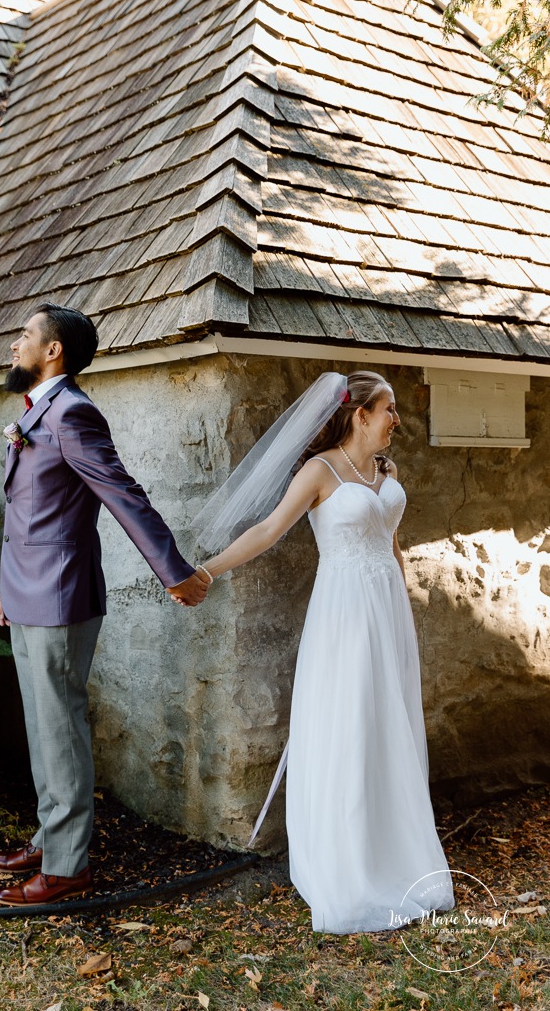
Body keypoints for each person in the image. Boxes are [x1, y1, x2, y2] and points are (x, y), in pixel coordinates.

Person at [191, 370, 453, 933]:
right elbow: (267, 530)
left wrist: (403, 611)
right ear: (359, 414)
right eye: (388, 410)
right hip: (344, 615)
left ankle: (399, 854)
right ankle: (349, 864)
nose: (396, 420)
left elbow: (393, 545)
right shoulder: (320, 470)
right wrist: (208, 571)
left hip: (387, 611)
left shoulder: (388, 470)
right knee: (351, 724)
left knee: (392, 725)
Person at [0, 301, 210, 907]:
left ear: (53, 350)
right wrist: (6, 590)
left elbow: (122, 495)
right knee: (42, 727)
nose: (15, 344)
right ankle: (49, 836)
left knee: (62, 730)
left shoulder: (74, 413)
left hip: (60, 596)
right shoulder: (36, 410)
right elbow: (25, 519)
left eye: (24, 335)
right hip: (25, 595)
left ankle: (66, 868)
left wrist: (174, 571)